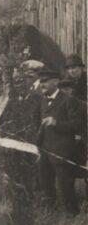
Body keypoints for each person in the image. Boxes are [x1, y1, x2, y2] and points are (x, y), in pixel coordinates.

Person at [34, 68, 84, 215]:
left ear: (55, 82)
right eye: (40, 81)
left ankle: (72, 216)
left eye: (45, 81)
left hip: (62, 152)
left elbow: (78, 124)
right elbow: (38, 124)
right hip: (45, 151)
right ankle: (51, 214)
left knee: (65, 188)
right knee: (46, 184)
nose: (42, 84)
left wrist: (57, 123)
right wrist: (37, 144)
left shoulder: (68, 100)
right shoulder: (42, 100)